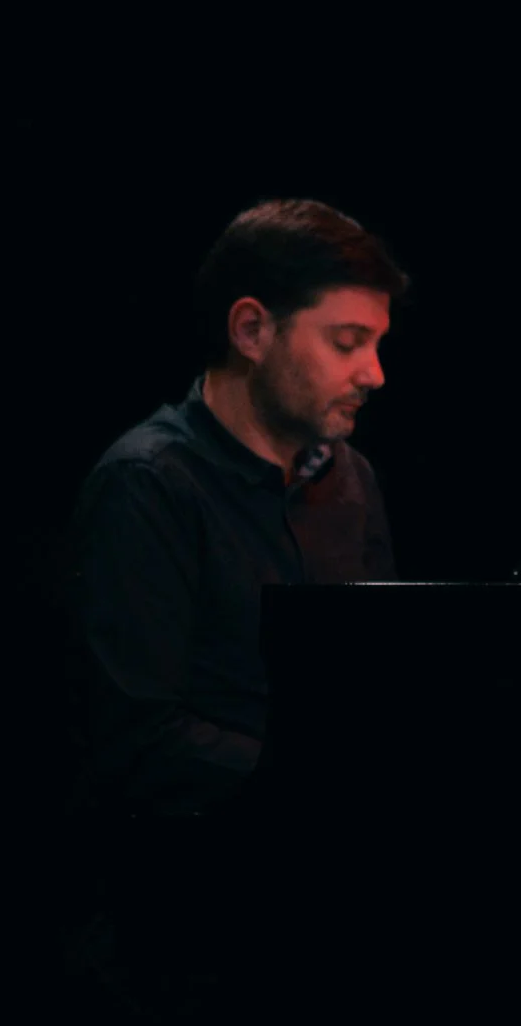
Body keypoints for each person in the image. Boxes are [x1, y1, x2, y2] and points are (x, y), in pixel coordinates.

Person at [72, 196, 405, 820]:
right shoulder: (148, 483)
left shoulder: (351, 478)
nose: (376, 373)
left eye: (377, 344)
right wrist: (331, 780)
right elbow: (142, 738)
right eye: (347, 342)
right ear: (251, 330)